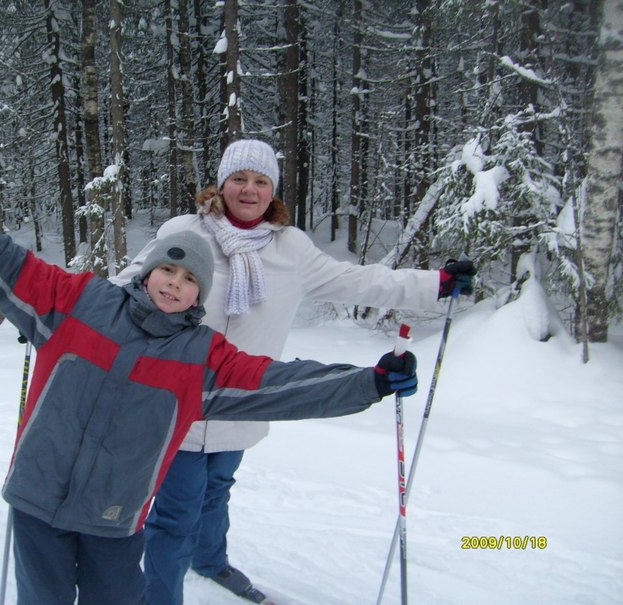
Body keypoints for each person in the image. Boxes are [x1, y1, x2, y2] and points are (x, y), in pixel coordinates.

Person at [0, 200, 421, 605]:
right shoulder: (82, 302)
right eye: (169, 271)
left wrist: (367, 382)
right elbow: (21, 269)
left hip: (114, 517)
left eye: (189, 282)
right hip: (36, 494)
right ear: (149, 269)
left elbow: (277, 384)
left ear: (200, 297)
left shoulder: (201, 357)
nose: (174, 285)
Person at [113, 139, 476, 604]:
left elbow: (357, 280)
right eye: (239, 179)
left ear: (273, 191)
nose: (249, 190)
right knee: (175, 512)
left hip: (245, 398)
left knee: (217, 490)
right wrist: (61, 313)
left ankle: (209, 560)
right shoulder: (186, 231)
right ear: (221, 184)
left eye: (260, 181)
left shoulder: (292, 249)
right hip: (178, 397)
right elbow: (128, 283)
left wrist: (436, 284)